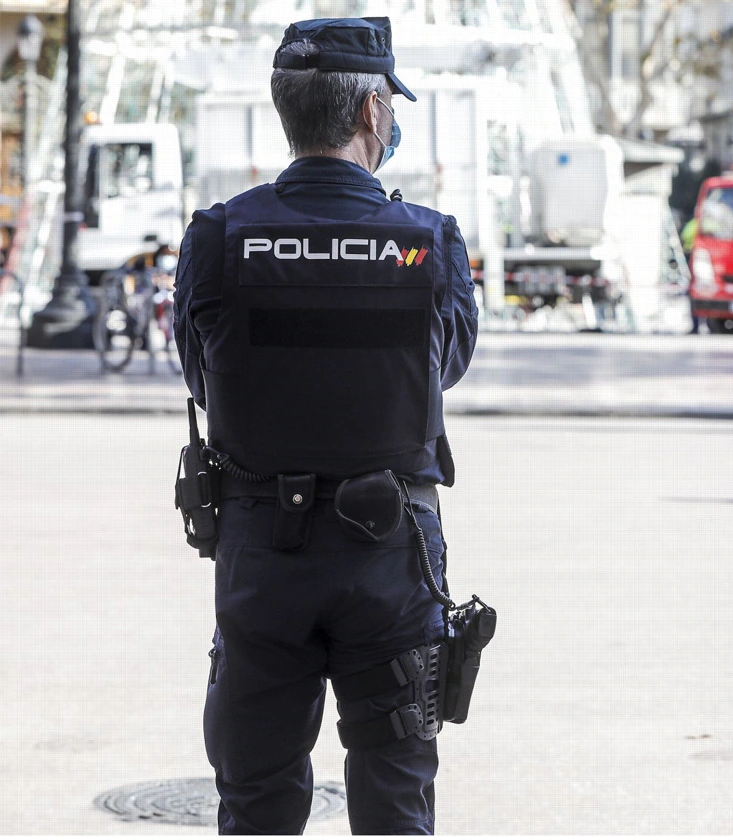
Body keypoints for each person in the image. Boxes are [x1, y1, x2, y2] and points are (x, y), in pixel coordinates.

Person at [173, 17, 478, 835]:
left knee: (257, 799)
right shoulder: (429, 242)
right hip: (390, 554)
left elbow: (202, 378)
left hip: (261, 553)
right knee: (395, 799)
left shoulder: (218, 236)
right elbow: (439, 375)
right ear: (374, 113)